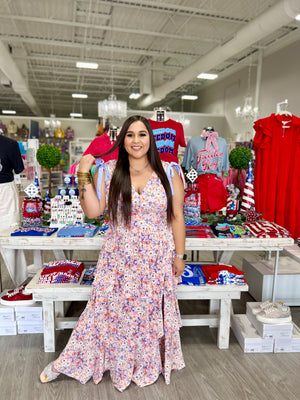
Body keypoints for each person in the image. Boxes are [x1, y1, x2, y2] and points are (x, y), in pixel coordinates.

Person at [40, 115, 186, 391]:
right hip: (118, 260)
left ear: (151, 139)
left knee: (147, 316)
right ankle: (68, 362)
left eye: (142, 134)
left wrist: (180, 256)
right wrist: (83, 173)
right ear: (122, 140)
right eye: (130, 135)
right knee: (102, 314)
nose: (136, 140)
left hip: (155, 261)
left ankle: (143, 363)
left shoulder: (170, 171)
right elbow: (93, 211)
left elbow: (177, 216)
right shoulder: (108, 171)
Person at [0, 134, 24, 232]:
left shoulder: (11, 144)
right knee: (9, 231)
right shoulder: (11, 144)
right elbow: (19, 168)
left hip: (6, 192)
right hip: (6, 190)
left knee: (9, 230)